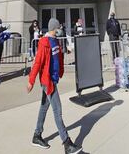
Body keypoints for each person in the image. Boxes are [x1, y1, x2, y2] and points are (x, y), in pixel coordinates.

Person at [27, 18, 82, 154]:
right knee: (57, 110)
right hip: (48, 81)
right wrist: (31, 80)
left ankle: (37, 135)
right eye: (58, 28)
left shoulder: (56, 41)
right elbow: (38, 63)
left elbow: (59, 58)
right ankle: (67, 143)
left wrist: (61, 71)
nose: (60, 29)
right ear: (54, 28)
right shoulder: (44, 43)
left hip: (53, 79)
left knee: (44, 107)